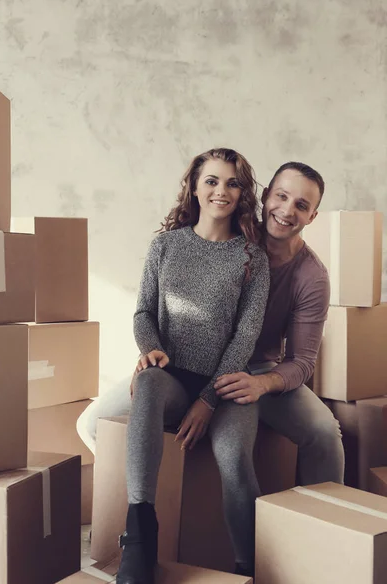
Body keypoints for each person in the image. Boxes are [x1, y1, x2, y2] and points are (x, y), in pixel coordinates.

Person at [77, 160, 345, 578]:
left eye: (301, 204)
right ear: (264, 196)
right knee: (93, 422)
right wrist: (150, 356)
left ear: (313, 215)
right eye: (281, 196)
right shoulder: (230, 233)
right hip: (188, 364)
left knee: (324, 431)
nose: (287, 210)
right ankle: (150, 508)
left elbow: (303, 361)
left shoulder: (311, 276)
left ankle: (319, 538)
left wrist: (262, 384)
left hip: (258, 371)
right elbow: (157, 311)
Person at [112, 148, 270, 584]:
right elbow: (143, 311)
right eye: (213, 181)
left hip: (228, 381)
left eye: (233, 183)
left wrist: (208, 399)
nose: (222, 191)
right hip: (172, 375)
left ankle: (248, 566)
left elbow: (245, 336)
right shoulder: (165, 245)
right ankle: (140, 540)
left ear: (243, 193)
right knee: (146, 384)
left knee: (233, 456)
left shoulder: (252, 257)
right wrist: (150, 347)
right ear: (195, 187)